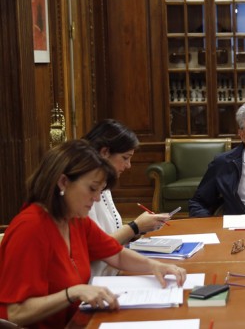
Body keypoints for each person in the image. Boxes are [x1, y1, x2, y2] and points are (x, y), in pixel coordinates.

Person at [0, 140, 186, 328]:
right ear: (63, 182)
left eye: (100, 190)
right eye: (92, 189)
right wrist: (72, 292)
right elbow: (15, 313)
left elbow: (116, 254)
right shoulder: (30, 229)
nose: (97, 198)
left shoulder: (74, 219)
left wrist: (155, 266)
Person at [83, 119, 171, 277]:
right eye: (125, 158)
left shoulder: (104, 184)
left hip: (114, 272)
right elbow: (95, 248)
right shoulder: (83, 192)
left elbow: (109, 233)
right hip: (97, 280)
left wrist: (138, 229)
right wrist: (135, 227)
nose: (129, 165)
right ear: (105, 153)